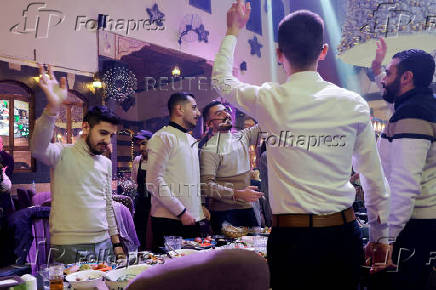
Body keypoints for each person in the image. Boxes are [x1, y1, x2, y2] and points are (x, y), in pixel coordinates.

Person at [213, 3, 390, 289]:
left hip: (292, 241)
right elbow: (373, 178)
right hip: (343, 235)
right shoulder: (353, 103)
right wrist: (381, 237)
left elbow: (222, 81)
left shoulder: (269, 99)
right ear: (323, 51)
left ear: (279, 53)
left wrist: (233, 30)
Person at [31, 65, 124, 264]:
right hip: (69, 245)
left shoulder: (106, 163)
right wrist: (52, 109)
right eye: (103, 133)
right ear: (86, 127)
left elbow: (108, 205)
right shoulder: (62, 153)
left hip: (104, 243)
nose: (107, 141)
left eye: (111, 136)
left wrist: (116, 243)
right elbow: (38, 148)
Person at [372, 40, 436, 290]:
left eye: (389, 73)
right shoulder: (418, 105)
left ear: (406, 77)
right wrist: (377, 69)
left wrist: (388, 238)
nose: (384, 79)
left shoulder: (413, 113)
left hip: (413, 226)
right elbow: (391, 98)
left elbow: (405, 185)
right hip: (419, 223)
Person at [146, 92, 207, 252]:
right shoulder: (163, 137)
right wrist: (181, 212)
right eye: (194, 108)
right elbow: (153, 182)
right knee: (172, 274)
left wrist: (200, 208)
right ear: (179, 109)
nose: (198, 113)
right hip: (170, 221)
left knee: (194, 273)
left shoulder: (191, 140)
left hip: (192, 219)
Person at [200, 100, 263, 234]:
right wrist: (238, 193)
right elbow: (207, 186)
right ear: (209, 123)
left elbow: (266, 124)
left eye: (226, 111)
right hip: (224, 214)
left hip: (246, 210)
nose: (226, 114)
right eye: (219, 113)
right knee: (229, 254)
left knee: (254, 252)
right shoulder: (209, 149)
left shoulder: (243, 136)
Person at [131, 130, 153, 250]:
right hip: (141, 203)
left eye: (144, 143)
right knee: (140, 234)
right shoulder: (137, 161)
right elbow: (135, 182)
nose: (141, 148)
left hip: (155, 203)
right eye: (139, 145)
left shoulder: (159, 160)